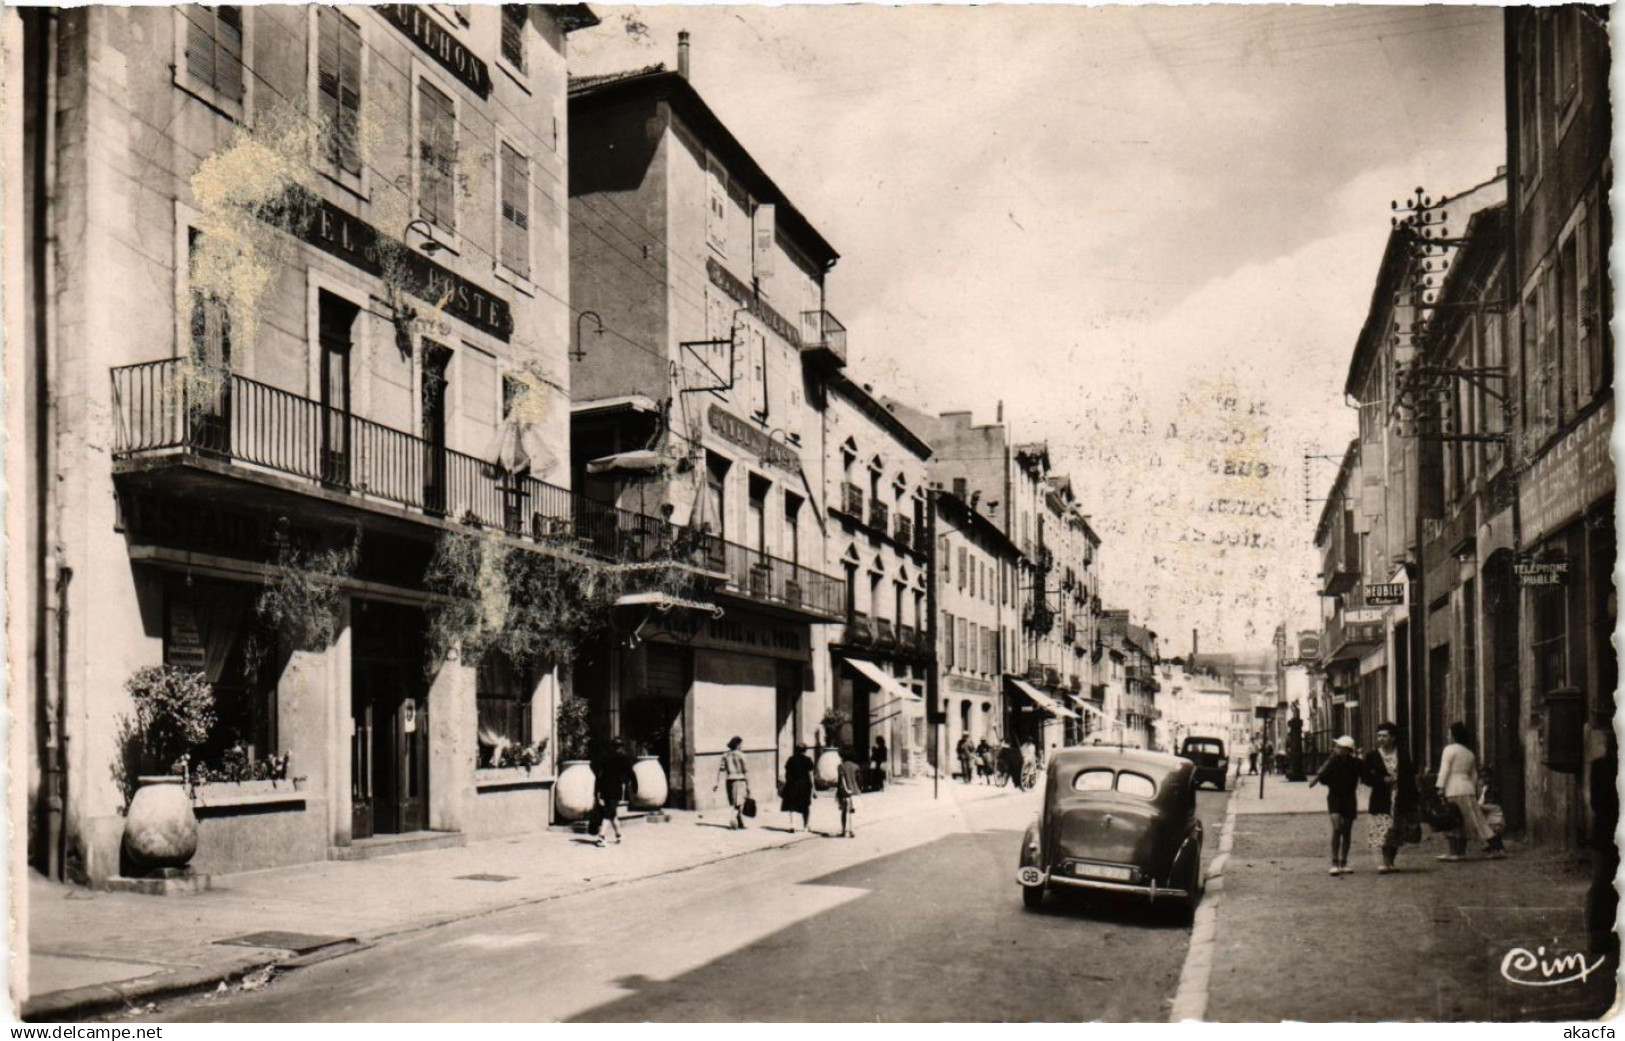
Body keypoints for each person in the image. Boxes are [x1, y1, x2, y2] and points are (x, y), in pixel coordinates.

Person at [1436, 721, 1505, 861]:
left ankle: (1456, 852)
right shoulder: (1469, 753)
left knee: (1453, 820)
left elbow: (1444, 770)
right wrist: (1472, 790)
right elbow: (1474, 775)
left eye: (1450, 733)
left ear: (1453, 735)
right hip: (1467, 788)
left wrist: (1440, 787)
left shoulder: (1449, 750)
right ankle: (1496, 847)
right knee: (1477, 820)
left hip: (1453, 788)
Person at [1361, 722, 1418, 873]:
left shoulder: (1403, 754)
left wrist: (1413, 798)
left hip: (1400, 797)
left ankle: (1390, 862)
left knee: (1396, 830)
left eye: (1384, 736)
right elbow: (1365, 777)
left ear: (1392, 737)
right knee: (1383, 830)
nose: (1381, 739)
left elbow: (1410, 776)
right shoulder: (1372, 756)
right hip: (1381, 798)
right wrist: (1381, 780)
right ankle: (1384, 863)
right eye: (1379, 736)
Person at [1309, 735, 1362, 875]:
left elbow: (1365, 774)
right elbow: (1323, 779)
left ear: (1347, 750)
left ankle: (1344, 861)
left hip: (1349, 798)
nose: (1336, 749)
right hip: (1335, 797)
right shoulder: (1332, 762)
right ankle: (1334, 861)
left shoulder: (1356, 763)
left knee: (1347, 829)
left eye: (1339, 747)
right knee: (1337, 827)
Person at [589, 737, 637, 848]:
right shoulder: (623, 758)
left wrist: (599, 776)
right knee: (609, 812)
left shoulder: (605, 757)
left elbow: (592, 765)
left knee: (612, 812)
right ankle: (601, 837)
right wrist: (634, 786)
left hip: (604, 787)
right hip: (615, 788)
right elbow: (631, 773)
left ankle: (618, 835)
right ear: (620, 747)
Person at [712, 735, 751, 830]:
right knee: (738, 803)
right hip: (740, 780)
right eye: (741, 744)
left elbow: (721, 770)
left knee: (736, 802)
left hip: (729, 780)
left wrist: (716, 782)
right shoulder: (742, 755)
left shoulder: (725, 755)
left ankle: (741, 823)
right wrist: (749, 786)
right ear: (737, 744)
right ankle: (733, 819)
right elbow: (746, 771)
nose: (742, 746)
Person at [780, 743, 815, 833]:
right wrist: (814, 789)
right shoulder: (808, 760)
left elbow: (787, 774)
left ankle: (792, 826)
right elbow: (810, 775)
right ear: (805, 750)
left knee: (791, 806)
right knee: (805, 806)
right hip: (804, 786)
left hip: (792, 785)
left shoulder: (791, 759)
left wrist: (787, 783)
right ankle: (805, 826)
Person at [835, 749, 863, 838]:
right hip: (854, 791)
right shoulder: (856, 766)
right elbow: (859, 780)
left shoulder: (840, 766)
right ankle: (851, 830)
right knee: (851, 811)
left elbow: (841, 780)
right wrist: (859, 789)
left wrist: (844, 790)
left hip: (843, 792)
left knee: (843, 811)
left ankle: (844, 830)